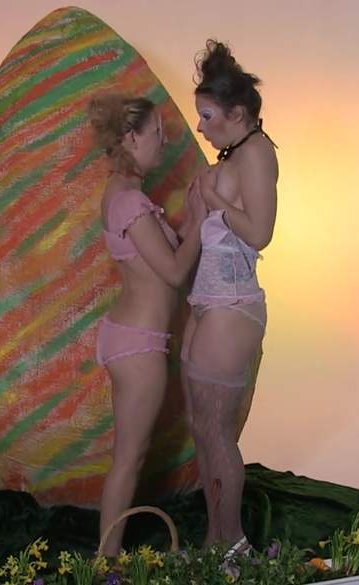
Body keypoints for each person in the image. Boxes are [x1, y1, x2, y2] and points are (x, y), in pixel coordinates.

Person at [88, 93, 207, 557]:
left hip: (131, 337)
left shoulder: (124, 195)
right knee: (129, 459)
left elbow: (162, 260)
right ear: (132, 138)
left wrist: (190, 222)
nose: (164, 141)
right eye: (157, 133)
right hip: (138, 345)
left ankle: (107, 556)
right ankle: (106, 561)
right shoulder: (129, 201)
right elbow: (174, 272)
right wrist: (201, 219)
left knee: (129, 458)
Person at [180, 40, 279, 559]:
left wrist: (215, 199)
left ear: (236, 114)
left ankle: (233, 544)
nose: (200, 128)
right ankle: (215, 540)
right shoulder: (238, 153)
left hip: (232, 305)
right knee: (203, 428)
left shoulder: (257, 153)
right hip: (208, 301)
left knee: (217, 431)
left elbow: (260, 232)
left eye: (207, 116)